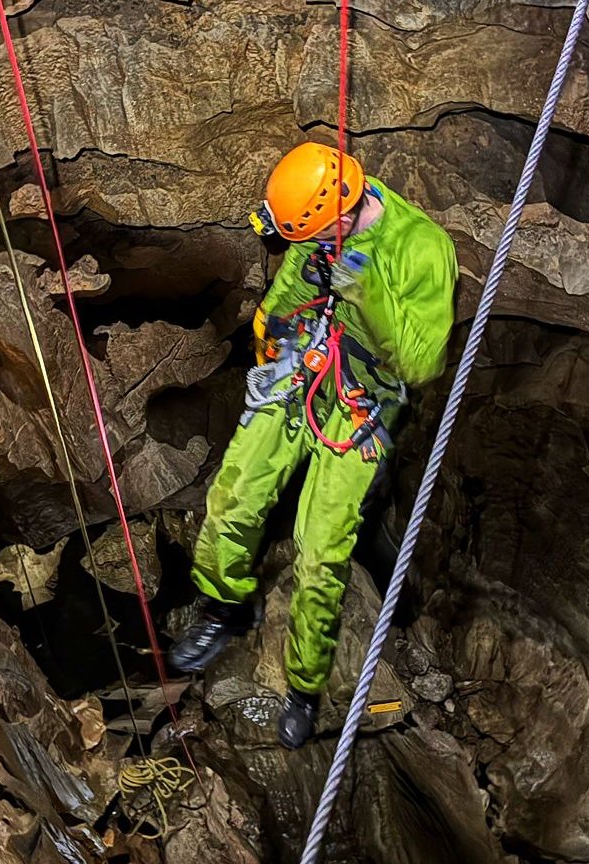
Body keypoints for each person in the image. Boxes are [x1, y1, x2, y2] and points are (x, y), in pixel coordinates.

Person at [169, 142, 456, 748]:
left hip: (360, 405)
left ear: (342, 214)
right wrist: (270, 327)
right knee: (233, 497)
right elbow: (293, 285)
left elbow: (422, 362)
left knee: (320, 551)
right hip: (302, 373)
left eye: (319, 237)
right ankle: (225, 609)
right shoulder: (318, 224)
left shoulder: (422, 248)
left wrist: (364, 289)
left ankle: (304, 685)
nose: (311, 247)